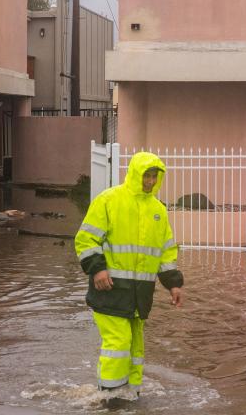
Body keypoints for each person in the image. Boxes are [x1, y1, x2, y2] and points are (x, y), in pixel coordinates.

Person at [74, 151, 184, 399]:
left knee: (135, 347)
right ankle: (109, 396)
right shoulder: (109, 200)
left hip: (139, 295)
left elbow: (166, 251)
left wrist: (174, 285)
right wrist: (98, 268)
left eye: (155, 176)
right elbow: (85, 239)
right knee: (118, 342)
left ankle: (131, 394)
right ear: (136, 174)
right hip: (109, 289)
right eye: (147, 175)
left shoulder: (158, 210)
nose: (151, 181)